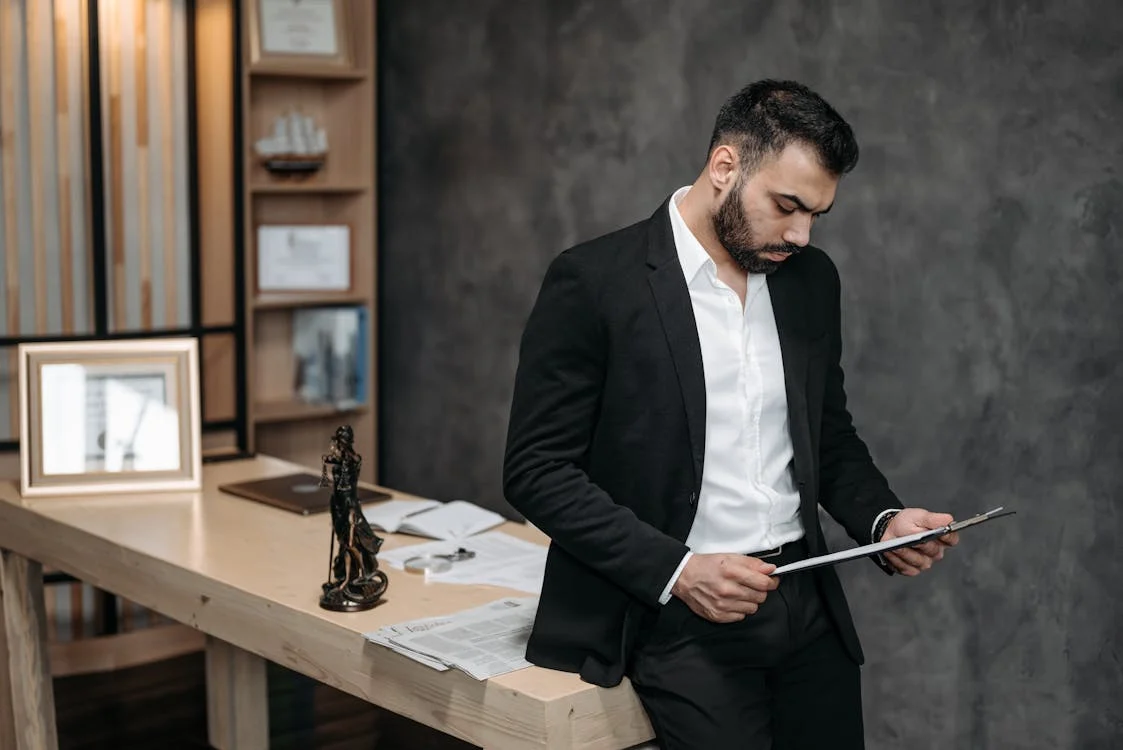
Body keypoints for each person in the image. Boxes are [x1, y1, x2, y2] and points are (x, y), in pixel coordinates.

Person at [502, 79, 960, 749]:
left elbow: (824, 437)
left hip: (807, 606)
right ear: (724, 167)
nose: (800, 235)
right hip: (678, 617)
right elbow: (536, 471)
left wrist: (884, 520)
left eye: (816, 215)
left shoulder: (809, 280)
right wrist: (677, 571)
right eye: (786, 206)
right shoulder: (594, 281)